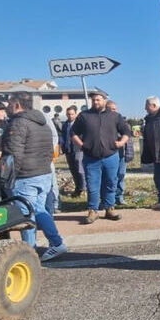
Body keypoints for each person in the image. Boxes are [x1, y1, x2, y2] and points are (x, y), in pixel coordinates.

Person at [3, 91, 66, 261]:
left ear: (17, 104)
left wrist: (7, 177)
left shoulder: (18, 123)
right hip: (42, 173)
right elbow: (49, 149)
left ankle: (29, 252)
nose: (7, 107)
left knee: (26, 214)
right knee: (38, 209)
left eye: (9, 104)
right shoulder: (42, 123)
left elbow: (13, 154)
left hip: (25, 176)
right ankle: (56, 242)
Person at [72, 92, 131, 224]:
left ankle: (110, 208)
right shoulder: (84, 116)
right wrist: (82, 145)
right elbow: (74, 133)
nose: (95, 102)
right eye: (93, 100)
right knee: (93, 185)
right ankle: (93, 211)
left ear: (104, 100)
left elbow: (126, 132)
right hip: (91, 158)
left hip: (111, 156)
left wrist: (121, 143)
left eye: (98, 100)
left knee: (111, 183)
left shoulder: (114, 116)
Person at [106, 100, 135, 205]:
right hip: (109, 153)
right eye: (112, 109)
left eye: (115, 109)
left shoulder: (121, 121)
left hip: (121, 153)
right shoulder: (104, 122)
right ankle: (109, 198)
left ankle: (119, 197)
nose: (115, 111)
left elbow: (127, 137)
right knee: (110, 177)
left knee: (121, 175)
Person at [61, 106, 86, 197]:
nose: (70, 116)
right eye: (68, 114)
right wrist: (63, 147)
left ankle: (84, 188)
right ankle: (78, 188)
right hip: (68, 150)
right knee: (73, 170)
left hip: (78, 150)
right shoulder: (65, 124)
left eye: (72, 114)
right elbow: (63, 136)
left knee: (80, 169)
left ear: (76, 114)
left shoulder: (80, 124)